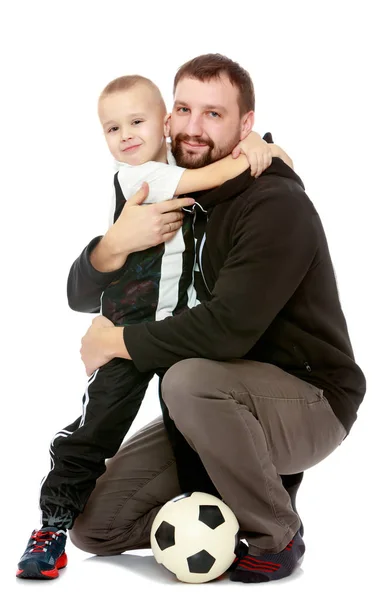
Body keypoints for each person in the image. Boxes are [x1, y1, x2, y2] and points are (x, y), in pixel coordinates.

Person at [67, 53, 365, 584]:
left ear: (245, 125)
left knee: (187, 379)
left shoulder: (274, 203)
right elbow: (81, 295)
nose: (192, 127)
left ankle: (277, 533)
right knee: (95, 527)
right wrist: (112, 246)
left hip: (311, 400)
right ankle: (214, 523)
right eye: (183, 109)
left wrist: (120, 343)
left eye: (214, 114)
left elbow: (228, 328)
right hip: (215, 402)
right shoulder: (177, 195)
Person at [16, 72, 290, 581]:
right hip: (130, 326)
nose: (125, 136)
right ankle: (52, 525)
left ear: (164, 123)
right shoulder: (139, 175)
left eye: (136, 122)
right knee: (96, 429)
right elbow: (209, 180)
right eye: (111, 128)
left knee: (188, 425)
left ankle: (212, 518)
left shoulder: (177, 157)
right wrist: (261, 149)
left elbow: (223, 177)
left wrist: (258, 142)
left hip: (182, 330)